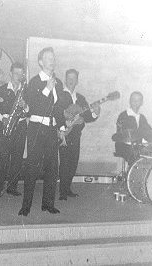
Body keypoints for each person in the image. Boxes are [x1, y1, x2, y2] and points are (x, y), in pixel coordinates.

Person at [18, 47, 66, 216]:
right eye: (48, 57)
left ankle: (48, 204)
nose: (52, 60)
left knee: (52, 168)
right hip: (37, 129)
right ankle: (26, 206)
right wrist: (46, 89)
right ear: (40, 62)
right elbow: (33, 106)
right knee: (32, 167)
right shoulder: (34, 81)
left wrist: (61, 127)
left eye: (53, 57)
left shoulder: (58, 83)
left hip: (51, 129)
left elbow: (59, 108)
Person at [0, 62, 28, 197]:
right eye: (16, 73)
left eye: (21, 74)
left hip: (20, 126)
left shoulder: (26, 91)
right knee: (3, 157)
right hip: (6, 125)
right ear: (10, 73)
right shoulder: (2, 90)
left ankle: (12, 187)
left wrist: (25, 106)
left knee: (17, 158)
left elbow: (31, 111)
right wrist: (1, 117)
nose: (18, 77)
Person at [58, 69, 100, 200]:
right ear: (65, 79)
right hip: (63, 134)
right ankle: (62, 192)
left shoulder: (81, 98)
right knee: (64, 163)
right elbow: (57, 112)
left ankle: (67, 188)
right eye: (69, 78)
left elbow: (87, 116)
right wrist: (65, 123)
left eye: (73, 78)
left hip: (76, 135)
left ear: (77, 81)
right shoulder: (59, 95)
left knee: (73, 163)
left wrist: (95, 112)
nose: (71, 81)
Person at [113, 91, 152, 166]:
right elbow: (123, 135)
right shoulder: (124, 115)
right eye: (133, 100)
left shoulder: (142, 117)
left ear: (142, 103)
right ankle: (134, 175)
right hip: (124, 146)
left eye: (138, 100)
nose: (135, 102)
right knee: (136, 154)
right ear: (130, 101)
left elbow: (150, 133)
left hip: (138, 146)